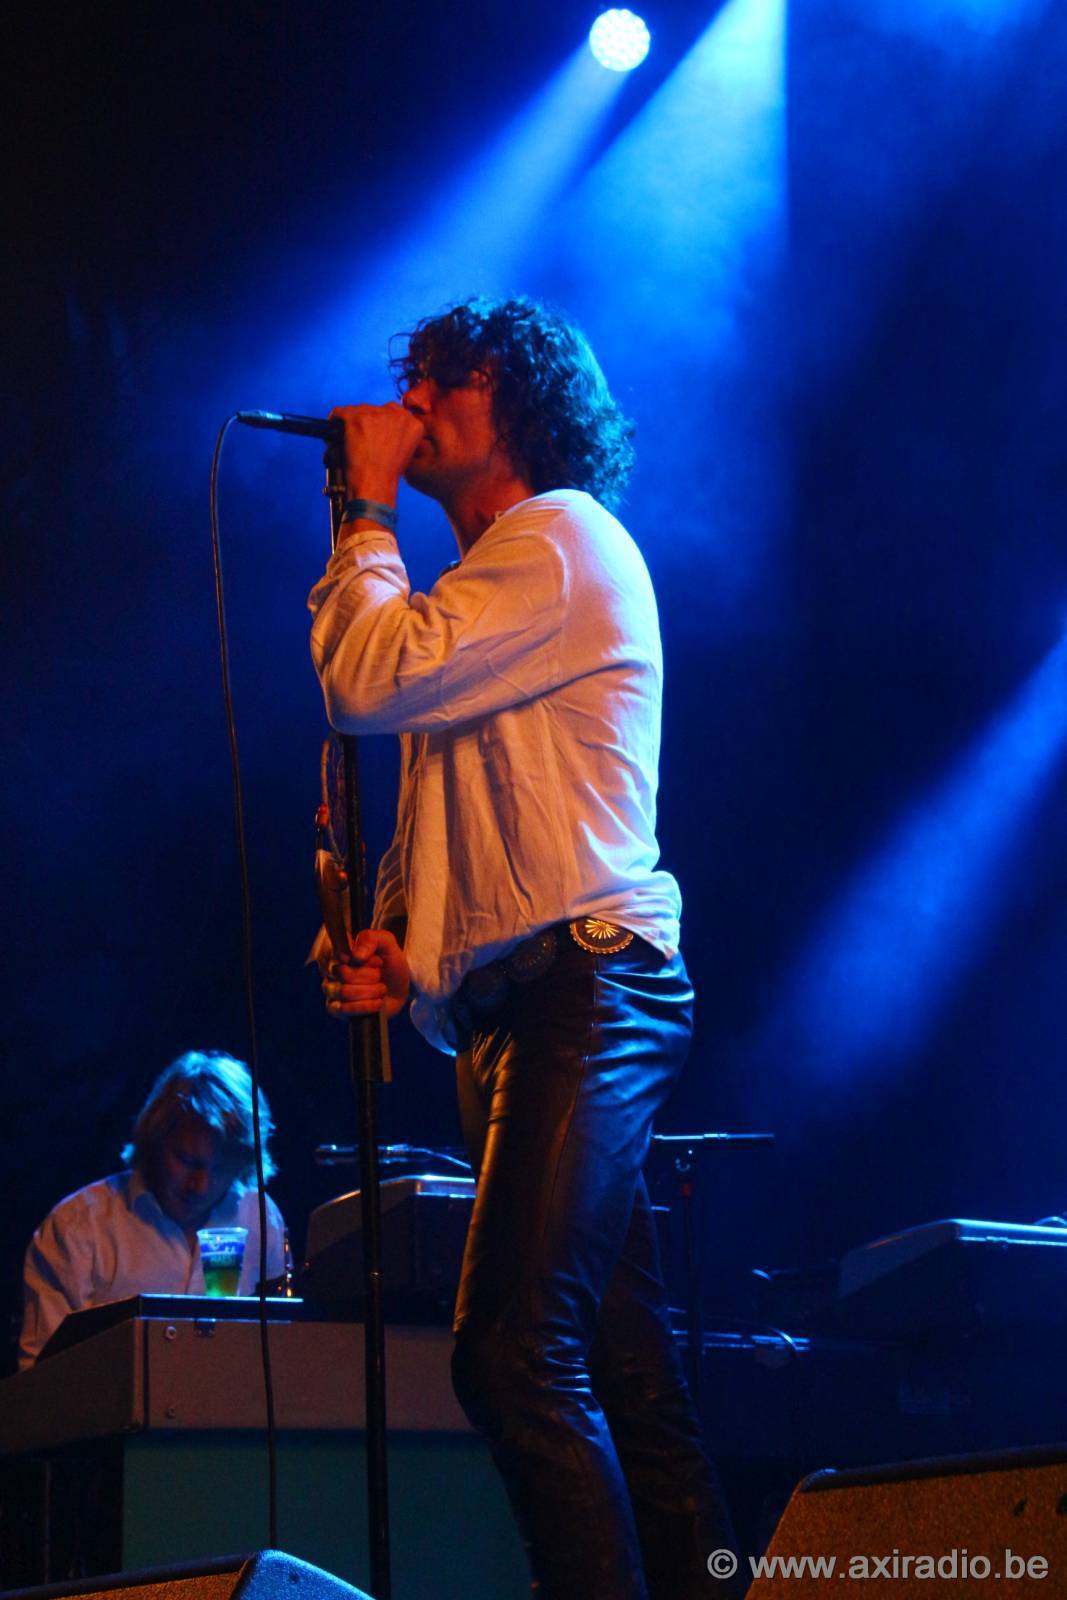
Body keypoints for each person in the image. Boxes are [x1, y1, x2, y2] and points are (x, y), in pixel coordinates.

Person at [309, 297, 740, 1598]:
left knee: (508, 1354)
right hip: (516, 1012)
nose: (416, 399)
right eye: (415, 378)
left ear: (519, 404)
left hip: (585, 992)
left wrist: (362, 510)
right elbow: (469, 822)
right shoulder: (486, 591)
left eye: (449, 379)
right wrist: (402, 947)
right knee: (626, 1377)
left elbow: (364, 677)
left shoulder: (561, 537)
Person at [19, 1050, 285, 1367]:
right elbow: (42, 1377)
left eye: (221, 1168)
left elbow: (282, 1352)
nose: (200, 1186)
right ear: (154, 1138)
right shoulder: (77, 1228)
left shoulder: (261, 1219)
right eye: (187, 1161)